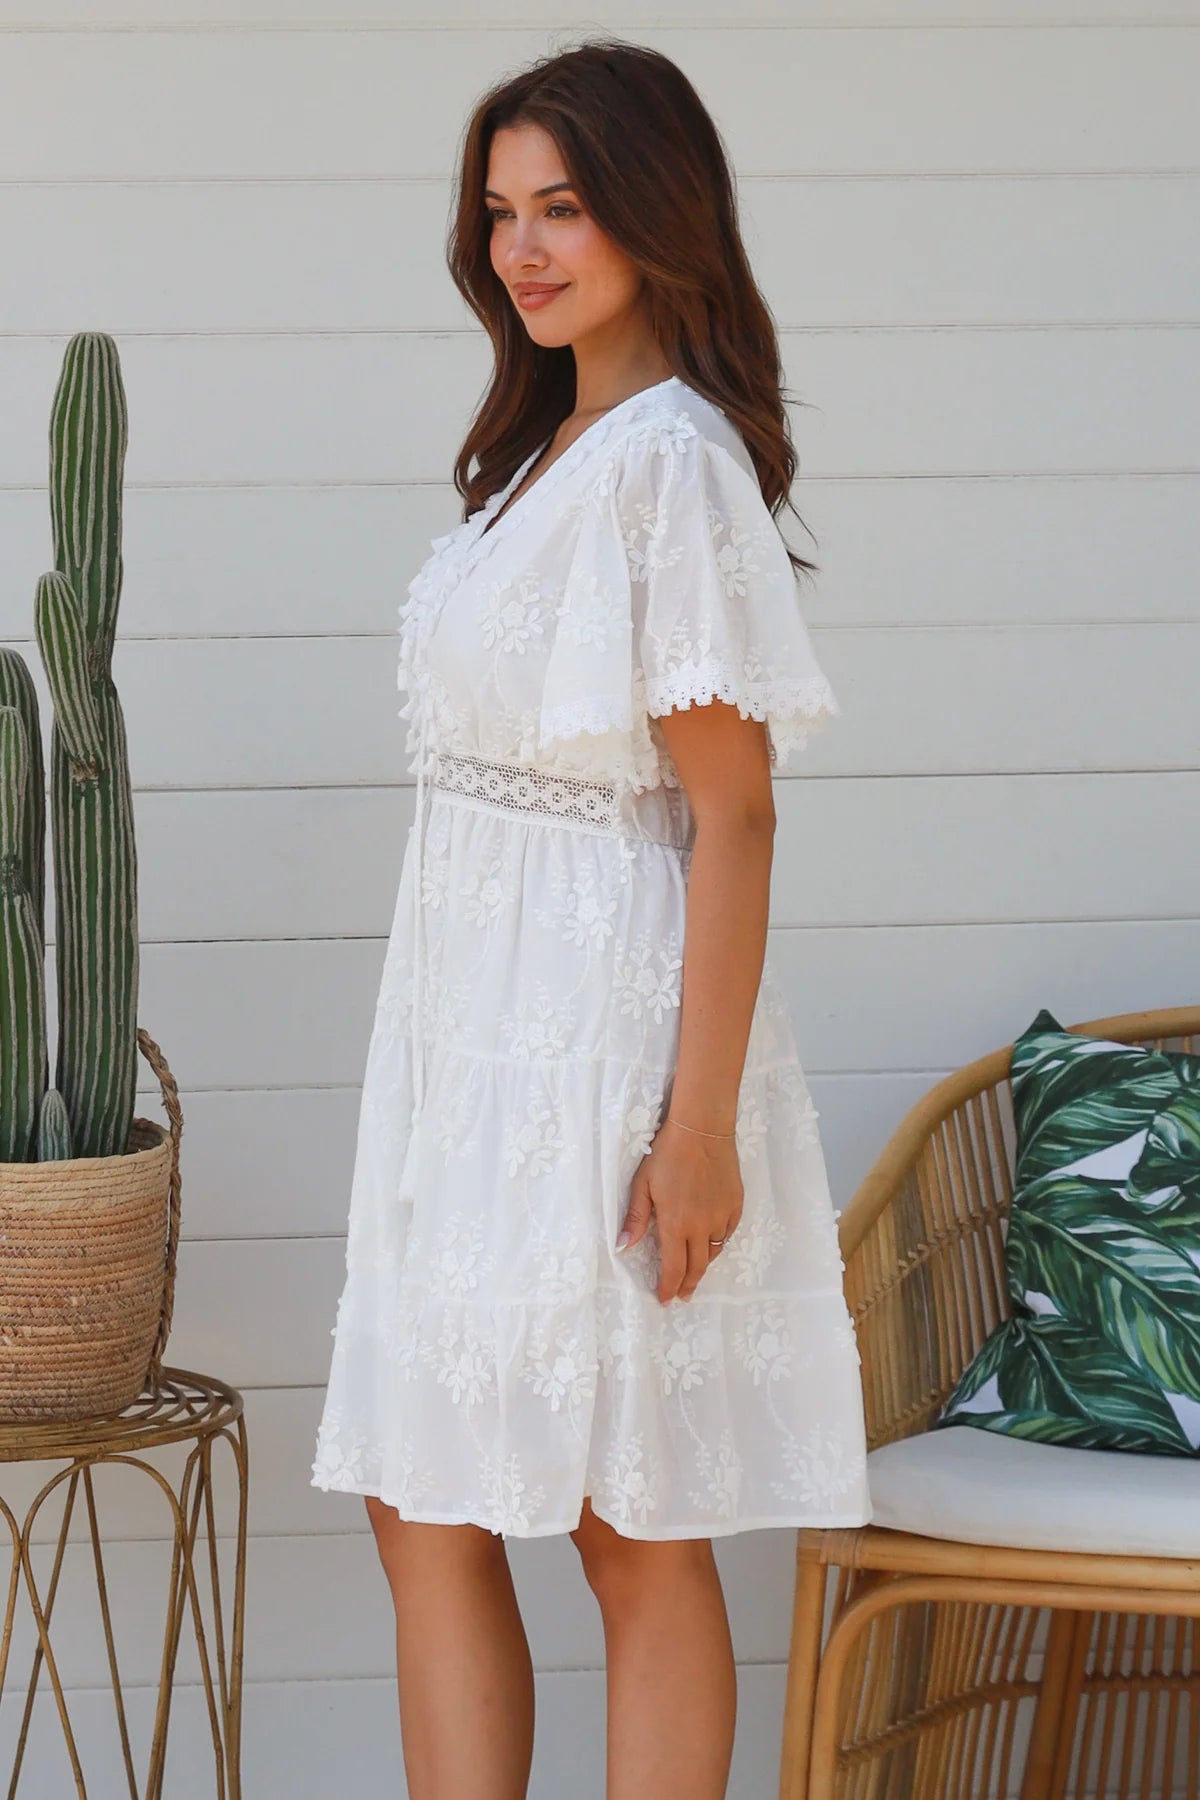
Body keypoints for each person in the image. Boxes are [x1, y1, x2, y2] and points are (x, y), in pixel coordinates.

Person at [311, 36, 871, 1800]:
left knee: (630, 1516)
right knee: (425, 1494)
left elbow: (735, 814)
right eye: (500, 213)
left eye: (561, 207)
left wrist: (695, 1133)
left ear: (652, 210)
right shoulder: (542, 457)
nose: (523, 250)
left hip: (602, 1049)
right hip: (467, 1048)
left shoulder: (670, 463)